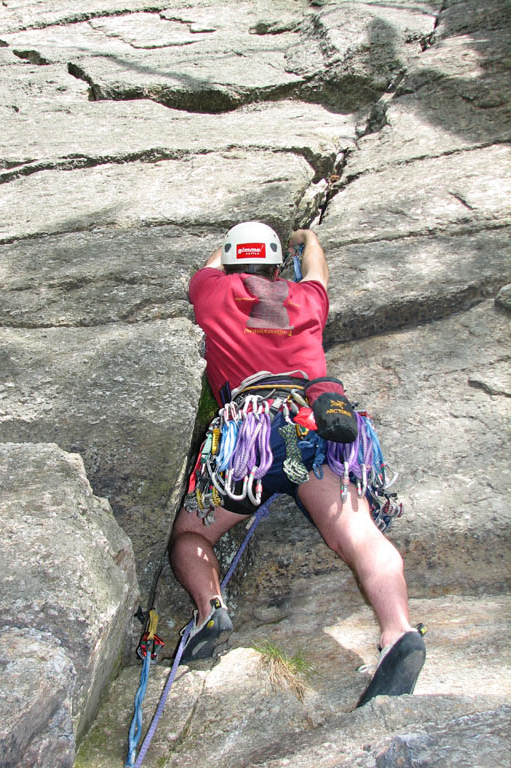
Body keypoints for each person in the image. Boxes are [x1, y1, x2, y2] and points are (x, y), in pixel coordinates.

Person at [169, 222, 425, 706]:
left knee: (192, 535)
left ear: (230, 259)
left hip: (249, 438)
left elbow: (207, 268)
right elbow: (318, 275)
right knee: (360, 534)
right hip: (312, 426)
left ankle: (210, 610)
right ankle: (397, 631)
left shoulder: (212, 294)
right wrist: (308, 241)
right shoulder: (304, 300)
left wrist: (224, 249)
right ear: (276, 265)